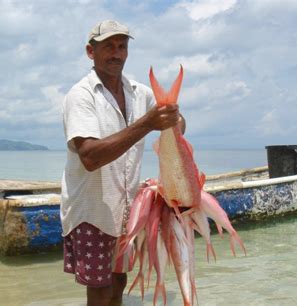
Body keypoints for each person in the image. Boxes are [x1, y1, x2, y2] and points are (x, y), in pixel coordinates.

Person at [60, 20, 185, 306]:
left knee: (118, 281)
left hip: (127, 210)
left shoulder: (140, 93)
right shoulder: (81, 95)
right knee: (100, 290)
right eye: (108, 47)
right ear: (91, 52)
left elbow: (172, 124)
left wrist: (175, 120)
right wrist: (148, 123)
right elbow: (90, 156)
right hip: (92, 213)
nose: (116, 53)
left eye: (122, 46)